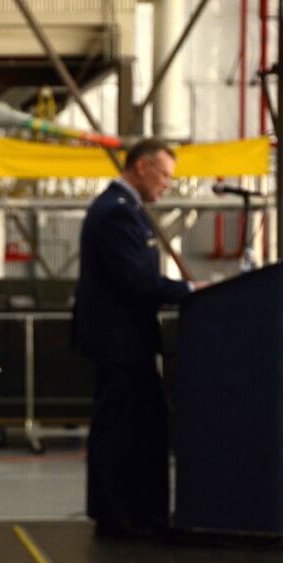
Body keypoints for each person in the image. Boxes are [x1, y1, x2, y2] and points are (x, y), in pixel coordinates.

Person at [72, 138, 205, 537]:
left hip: (127, 341)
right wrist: (190, 291)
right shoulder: (115, 212)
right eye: (164, 175)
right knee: (122, 430)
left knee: (136, 426)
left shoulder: (126, 209)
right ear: (143, 167)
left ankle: (131, 513)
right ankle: (119, 517)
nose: (167, 184)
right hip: (119, 343)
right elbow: (135, 279)